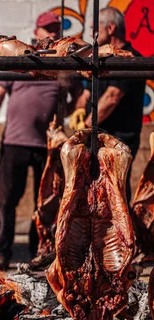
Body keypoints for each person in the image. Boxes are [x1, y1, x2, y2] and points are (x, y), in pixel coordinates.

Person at [0, 11, 81, 270]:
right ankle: (1, 252)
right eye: (46, 29)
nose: (51, 34)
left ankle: (39, 251)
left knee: (46, 203)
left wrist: (75, 112)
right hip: (15, 141)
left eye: (55, 29)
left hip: (47, 145)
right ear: (36, 34)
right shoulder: (20, 60)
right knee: (6, 200)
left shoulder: (65, 66)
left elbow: (81, 96)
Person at [69, 7, 146, 199]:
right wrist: (78, 110)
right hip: (97, 135)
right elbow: (87, 92)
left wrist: (84, 128)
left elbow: (112, 98)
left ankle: (121, 229)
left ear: (110, 28)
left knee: (115, 190)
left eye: (95, 28)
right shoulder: (102, 60)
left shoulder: (130, 58)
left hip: (120, 137)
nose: (90, 33)